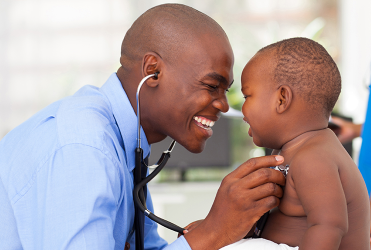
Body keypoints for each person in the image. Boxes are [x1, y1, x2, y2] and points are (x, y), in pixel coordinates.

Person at [0, 4, 287, 250]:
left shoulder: (128, 148)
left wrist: (222, 231)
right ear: (153, 72)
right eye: (212, 86)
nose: (224, 105)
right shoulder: (83, 150)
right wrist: (212, 232)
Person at [218, 38, 370, 249]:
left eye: (247, 96)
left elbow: (329, 226)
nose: (241, 111)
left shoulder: (314, 158)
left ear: (282, 99)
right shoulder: (294, 150)